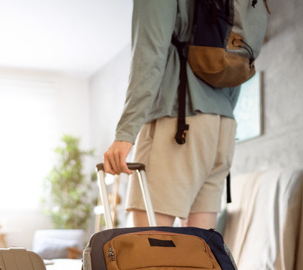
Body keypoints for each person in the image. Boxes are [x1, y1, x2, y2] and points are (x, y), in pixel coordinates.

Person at [102, 0, 241, 230]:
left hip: (178, 123)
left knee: (149, 251)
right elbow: (238, 63)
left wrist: (125, 133)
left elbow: (149, 57)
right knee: (198, 252)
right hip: (222, 128)